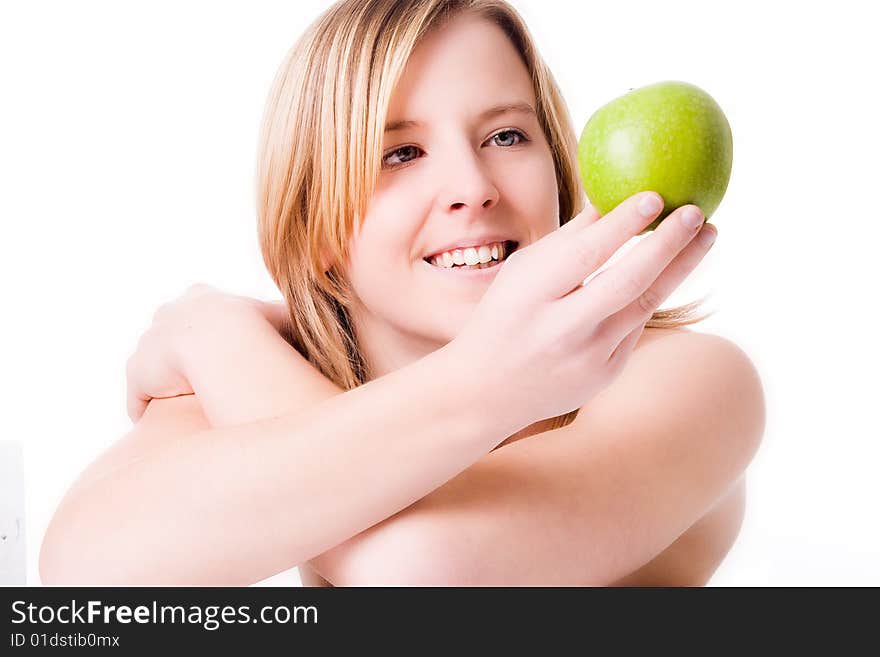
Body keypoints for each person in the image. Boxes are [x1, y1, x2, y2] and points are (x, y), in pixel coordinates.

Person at [39, 0, 765, 586]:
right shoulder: (265, 369)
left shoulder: (688, 378)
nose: (473, 189)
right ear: (313, 220)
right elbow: (84, 579)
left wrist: (209, 335)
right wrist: (219, 336)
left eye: (507, 136)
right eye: (401, 152)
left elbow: (422, 573)